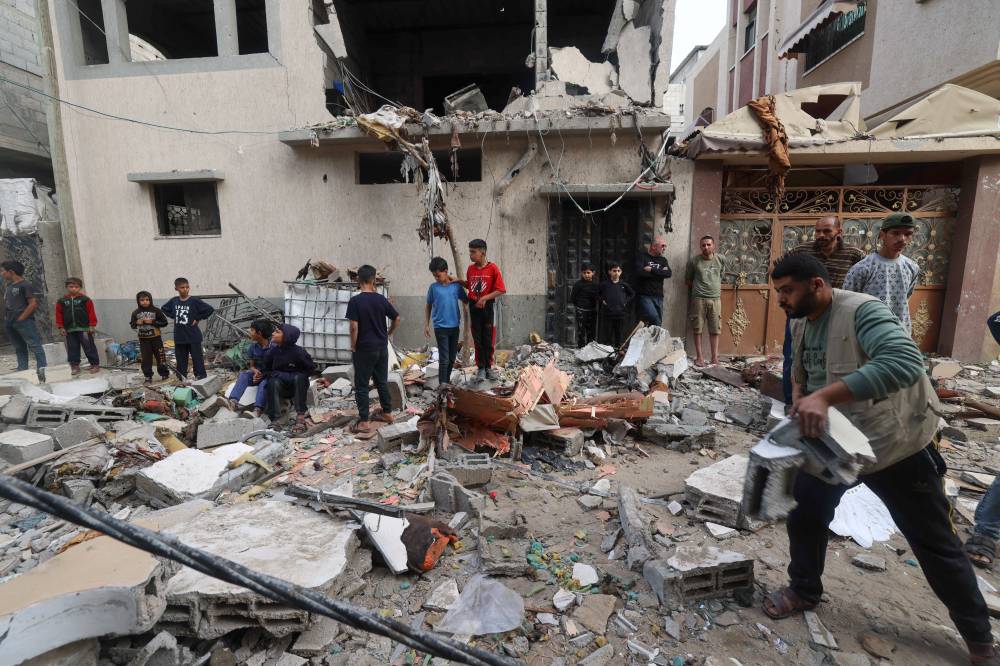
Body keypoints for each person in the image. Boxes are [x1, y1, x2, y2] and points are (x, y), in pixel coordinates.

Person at [764, 253, 998, 666]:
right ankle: (804, 590)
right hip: (837, 444)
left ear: (816, 284)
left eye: (787, 291)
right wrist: (800, 401)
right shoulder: (800, 320)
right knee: (804, 513)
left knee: (935, 542)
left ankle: (979, 637)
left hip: (896, 445)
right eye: (778, 291)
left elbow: (904, 363)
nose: (781, 299)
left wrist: (824, 397)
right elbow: (801, 370)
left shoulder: (863, 312)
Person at [782, 216, 866, 402]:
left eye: (827, 230)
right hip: (803, 313)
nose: (821, 235)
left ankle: (828, 404)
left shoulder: (854, 255)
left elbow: (863, 280)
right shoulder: (801, 252)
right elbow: (780, 269)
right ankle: (791, 403)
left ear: (838, 232)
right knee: (793, 356)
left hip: (838, 315)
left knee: (835, 359)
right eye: (818, 231)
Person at [842, 212, 920, 335]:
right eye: (896, 233)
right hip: (869, 334)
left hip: (900, 333)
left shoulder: (912, 267)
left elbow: (906, 297)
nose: (902, 239)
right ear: (882, 235)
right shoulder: (863, 268)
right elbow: (847, 304)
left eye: (908, 234)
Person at [347, 265, 400, 432]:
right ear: (373, 280)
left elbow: (354, 326)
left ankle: (364, 421)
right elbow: (397, 318)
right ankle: (387, 413)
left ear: (358, 280)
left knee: (362, 385)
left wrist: (353, 345)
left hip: (364, 348)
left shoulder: (355, 301)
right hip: (381, 347)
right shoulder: (381, 299)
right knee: (381, 381)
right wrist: (388, 333)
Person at [424, 257, 469, 388]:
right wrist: (426, 325)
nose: (436, 278)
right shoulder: (433, 288)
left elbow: (466, 300)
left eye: (438, 275)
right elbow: (428, 306)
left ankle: (446, 381)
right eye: (434, 276)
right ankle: (442, 385)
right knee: (444, 358)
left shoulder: (455, 286)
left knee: (451, 358)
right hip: (440, 327)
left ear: (446, 271)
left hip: (454, 327)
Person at [262, 323, 315, 433]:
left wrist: (291, 376)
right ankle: (276, 420)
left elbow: (310, 369)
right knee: (272, 382)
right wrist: (277, 375)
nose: (273, 333)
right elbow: (266, 369)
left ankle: (300, 416)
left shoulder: (299, 352)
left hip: (297, 386)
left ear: (286, 336)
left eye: (277, 332)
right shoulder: (273, 352)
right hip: (282, 387)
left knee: (299, 378)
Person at [465, 238, 506, 381]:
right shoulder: (470, 269)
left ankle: (489, 367)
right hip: (474, 307)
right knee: (477, 339)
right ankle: (480, 368)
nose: (470, 255)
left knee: (488, 338)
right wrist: (459, 282)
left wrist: (484, 298)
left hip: (487, 308)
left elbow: (501, 289)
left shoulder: (493, 269)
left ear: (482, 252)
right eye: (470, 251)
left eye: (473, 252)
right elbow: (471, 286)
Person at [161, 277, 215, 381]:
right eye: (182, 287)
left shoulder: (194, 301)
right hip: (179, 337)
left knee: (197, 359)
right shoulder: (174, 301)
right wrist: (174, 316)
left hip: (193, 336)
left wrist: (198, 318)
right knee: (181, 360)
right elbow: (164, 308)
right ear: (176, 288)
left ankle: (201, 378)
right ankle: (181, 378)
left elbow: (209, 309)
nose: (185, 289)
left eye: (187, 287)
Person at [1, 260, 46, 381]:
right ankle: (23, 371)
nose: (2, 274)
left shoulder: (25, 285)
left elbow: (33, 303)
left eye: (2, 271)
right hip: (10, 322)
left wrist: (21, 318)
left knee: (34, 346)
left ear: (11, 272)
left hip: (24, 322)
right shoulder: (9, 286)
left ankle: (42, 371)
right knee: (19, 347)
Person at [685, 236, 726, 366]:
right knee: (697, 328)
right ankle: (700, 357)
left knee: (715, 329)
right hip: (699, 299)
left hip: (715, 299)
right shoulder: (694, 261)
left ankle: (714, 358)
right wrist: (700, 289)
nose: (706, 247)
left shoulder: (721, 259)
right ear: (700, 246)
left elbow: (721, 276)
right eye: (703, 245)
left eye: (708, 244)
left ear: (713, 245)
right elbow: (688, 280)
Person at [229, 318, 275, 416]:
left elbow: (278, 368)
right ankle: (233, 402)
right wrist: (255, 372)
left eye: (252, 330)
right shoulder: (253, 347)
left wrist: (262, 376)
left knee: (264, 383)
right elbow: (252, 366)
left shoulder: (274, 347)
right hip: (258, 375)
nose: (250, 332)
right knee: (244, 375)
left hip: (270, 376)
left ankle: (257, 410)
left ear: (259, 333)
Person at [55, 277, 100, 375]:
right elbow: (58, 315)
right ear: (66, 287)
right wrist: (61, 327)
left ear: (80, 288)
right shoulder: (62, 301)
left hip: (84, 329)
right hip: (69, 329)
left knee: (89, 347)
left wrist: (92, 325)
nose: (74, 289)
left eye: (76, 287)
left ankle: (95, 364)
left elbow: (91, 313)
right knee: (72, 348)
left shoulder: (85, 299)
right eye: (71, 286)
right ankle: (75, 366)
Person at [129, 291, 170, 383]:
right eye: (142, 300)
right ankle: (148, 376)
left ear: (150, 300)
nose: (145, 302)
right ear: (138, 301)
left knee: (161, 357)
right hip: (144, 340)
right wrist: (136, 323)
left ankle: (164, 374)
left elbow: (164, 322)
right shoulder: (135, 313)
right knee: (146, 359)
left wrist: (152, 322)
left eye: (147, 299)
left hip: (156, 339)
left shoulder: (156, 311)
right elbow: (132, 325)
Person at [634, 236, 672, 327]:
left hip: (659, 296)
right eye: (662, 246)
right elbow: (640, 273)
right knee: (653, 316)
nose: (664, 248)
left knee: (658, 323)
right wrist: (660, 273)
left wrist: (651, 270)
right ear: (654, 246)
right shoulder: (642, 257)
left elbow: (668, 273)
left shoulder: (663, 260)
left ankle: (652, 340)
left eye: (665, 246)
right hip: (645, 296)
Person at [600, 262, 634, 348]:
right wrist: (602, 300)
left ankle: (618, 352)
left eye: (618, 271)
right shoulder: (605, 284)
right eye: (614, 271)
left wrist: (625, 301)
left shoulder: (624, 285)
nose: (616, 273)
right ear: (609, 272)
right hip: (609, 314)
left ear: (621, 272)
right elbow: (597, 294)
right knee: (608, 336)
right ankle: (608, 354)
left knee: (619, 335)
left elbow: (632, 294)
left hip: (620, 314)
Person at [570, 263, 600, 347]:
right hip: (581, 311)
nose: (586, 275)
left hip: (592, 311)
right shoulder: (578, 285)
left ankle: (590, 349)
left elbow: (598, 297)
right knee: (581, 331)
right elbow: (573, 298)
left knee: (591, 331)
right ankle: (581, 349)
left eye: (588, 272)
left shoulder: (596, 285)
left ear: (593, 273)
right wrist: (580, 306)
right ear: (581, 273)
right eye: (584, 273)